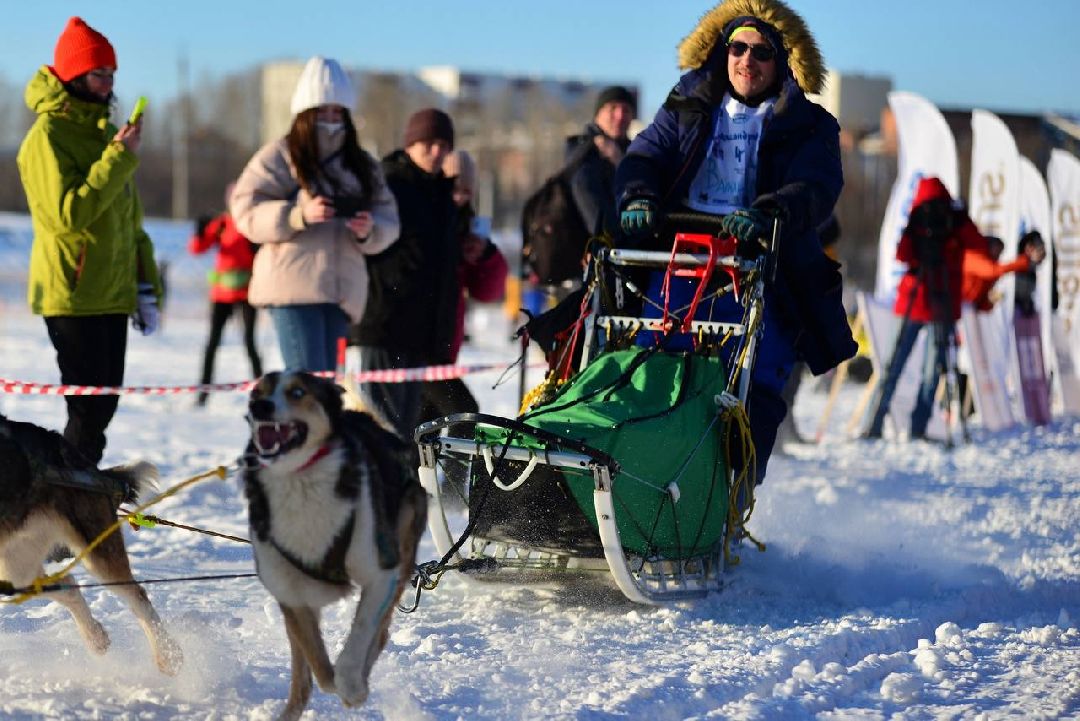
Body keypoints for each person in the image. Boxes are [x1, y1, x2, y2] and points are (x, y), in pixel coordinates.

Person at [613, 0, 856, 489]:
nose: (748, 60)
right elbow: (645, 154)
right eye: (738, 48)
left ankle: (733, 488)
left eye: (762, 52)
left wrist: (771, 211)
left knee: (758, 378)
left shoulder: (809, 123)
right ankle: (631, 471)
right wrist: (638, 193)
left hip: (765, 265)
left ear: (783, 61)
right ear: (722, 52)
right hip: (683, 255)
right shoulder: (688, 103)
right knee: (652, 361)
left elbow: (816, 185)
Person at [16, 17, 164, 464]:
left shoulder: (105, 133)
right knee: (86, 411)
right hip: (73, 293)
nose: (108, 84)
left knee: (103, 407)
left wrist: (145, 287)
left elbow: (130, 224)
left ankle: (80, 501)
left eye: (112, 75)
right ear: (73, 75)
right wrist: (118, 158)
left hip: (112, 294)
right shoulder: (47, 137)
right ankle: (71, 504)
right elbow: (68, 216)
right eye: (99, 73)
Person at [231, 56, 399, 373]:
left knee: (328, 396)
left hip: (342, 295)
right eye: (323, 110)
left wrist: (368, 230)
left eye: (338, 111)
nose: (331, 118)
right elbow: (245, 210)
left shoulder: (361, 164)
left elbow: (389, 220)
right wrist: (298, 215)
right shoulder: (280, 156)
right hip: (293, 292)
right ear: (306, 112)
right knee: (307, 387)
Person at [352, 108, 460, 440]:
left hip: (420, 335)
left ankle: (410, 492)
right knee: (385, 431)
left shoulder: (442, 193)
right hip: (383, 326)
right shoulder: (389, 183)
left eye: (444, 144)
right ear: (410, 144)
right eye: (428, 143)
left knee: (410, 434)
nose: (436, 151)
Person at [865, 176, 984, 440]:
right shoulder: (952, 220)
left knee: (893, 366)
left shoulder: (920, 216)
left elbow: (902, 255)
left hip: (915, 298)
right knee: (932, 372)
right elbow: (978, 244)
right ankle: (917, 428)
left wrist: (919, 223)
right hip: (939, 301)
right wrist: (958, 219)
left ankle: (872, 425)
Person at [417, 150, 509, 422]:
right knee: (464, 413)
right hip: (417, 350)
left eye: (467, 191)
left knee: (424, 430)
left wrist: (483, 256)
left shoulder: (465, 228)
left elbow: (487, 292)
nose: (460, 197)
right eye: (454, 188)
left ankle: (427, 467)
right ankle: (460, 467)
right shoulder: (426, 222)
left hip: (444, 352)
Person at [188, 183, 263, 406]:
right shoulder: (221, 224)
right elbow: (197, 249)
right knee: (212, 343)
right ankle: (203, 391)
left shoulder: (252, 225)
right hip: (221, 295)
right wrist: (199, 232)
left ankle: (263, 390)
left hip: (246, 294)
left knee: (250, 343)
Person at [568, 85, 637, 238]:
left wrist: (620, 161)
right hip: (591, 247)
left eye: (626, 110)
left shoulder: (637, 152)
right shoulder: (581, 151)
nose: (619, 116)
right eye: (612, 108)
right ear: (597, 115)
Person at [961, 234, 1043, 313]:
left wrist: (989, 302)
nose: (998, 257)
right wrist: (1024, 261)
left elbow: (981, 303)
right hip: (962, 303)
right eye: (998, 252)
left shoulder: (987, 266)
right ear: (991, 246)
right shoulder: (973, 255)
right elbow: (993, 271)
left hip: (968, 306)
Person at [1013, 231, 1048, 317]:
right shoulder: (1021, 266)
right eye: (1040, 250)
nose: (1043, 255)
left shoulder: (1032, 268)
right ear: (1028, 248)